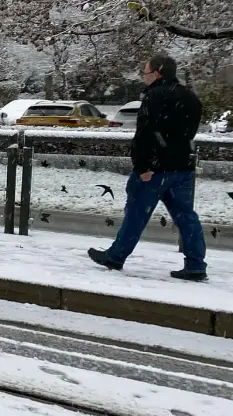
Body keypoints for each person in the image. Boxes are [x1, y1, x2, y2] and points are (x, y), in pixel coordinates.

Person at [88, 54, 207, 280]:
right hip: (182, 167)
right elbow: (187, 133)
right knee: (186, 217)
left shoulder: (155, 97)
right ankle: (196, 264)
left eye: (145, 72)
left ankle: (116, 256)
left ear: (157, 73)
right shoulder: (190, 97)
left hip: (154, 169)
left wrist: (142, 166)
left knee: (136, 213)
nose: (143, 77)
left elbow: (144, 135)